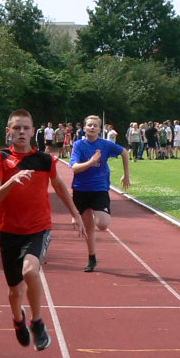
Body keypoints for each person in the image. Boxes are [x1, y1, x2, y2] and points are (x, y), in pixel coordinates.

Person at [0, 109, 86, 349]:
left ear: (33, 131)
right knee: (14, 291)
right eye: (16, 128)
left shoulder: (45, 160)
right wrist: (12, 180)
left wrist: (75, 214)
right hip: (9, 231)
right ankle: (18, 319)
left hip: (38, 228)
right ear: (8, 131)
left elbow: (59, 186)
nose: (21, 132)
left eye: (26, 128)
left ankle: (37, 321)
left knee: (30, 272)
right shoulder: (0, 158)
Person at [67, 114, 131, 272]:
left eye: (95, 125)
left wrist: (126, 175)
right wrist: (91, 162)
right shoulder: (78, 145)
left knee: (102, 224)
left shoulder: (106, 145)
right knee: (88, 228)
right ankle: (92, 258)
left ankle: (99, 210)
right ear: (84, 128)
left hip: (99, 188)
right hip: (81, 189)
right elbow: (74, 168)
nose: (92, 127)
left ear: (100, 129)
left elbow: (124, 152)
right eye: (89, 125)